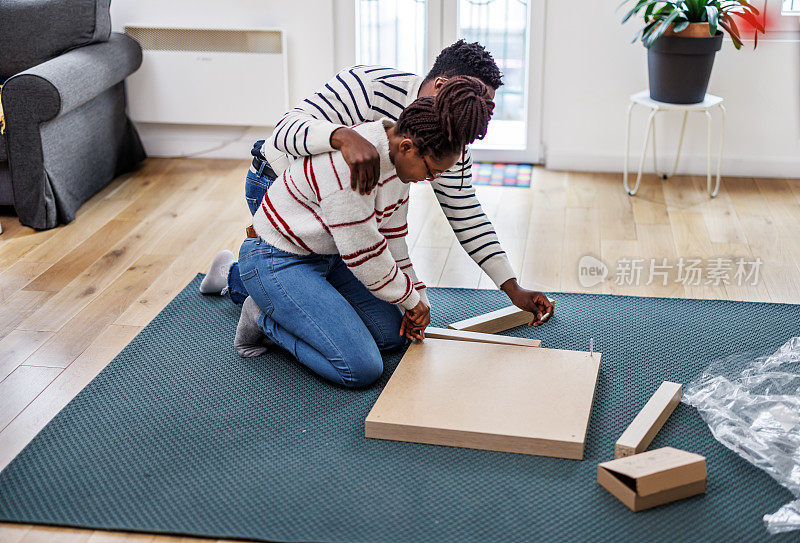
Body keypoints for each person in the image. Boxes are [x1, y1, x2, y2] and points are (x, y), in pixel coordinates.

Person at [200, 39, 554, 325]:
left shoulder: (452, 138)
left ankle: (291, 283)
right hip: (280, 187)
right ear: (442, 85)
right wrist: (341, 137)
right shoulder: (369, 86)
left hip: (353, 215)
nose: (473, 123)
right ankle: (242, 279)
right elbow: (283, 133)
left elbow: (467, 214)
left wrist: (513, 288)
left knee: (380, 314)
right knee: (341, 283)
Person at [235, 76, 493, 388]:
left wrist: (418, 297)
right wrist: (410, 300)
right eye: (431, 171)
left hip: (328, 257)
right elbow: (365, 256)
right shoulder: (354, 169)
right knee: (361, 369)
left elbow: (394, 240)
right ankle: (263, 318)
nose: (430, 179)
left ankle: (288, 303)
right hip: (278, 258)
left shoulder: (397, 162)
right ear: (408, 148)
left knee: (392, 337)